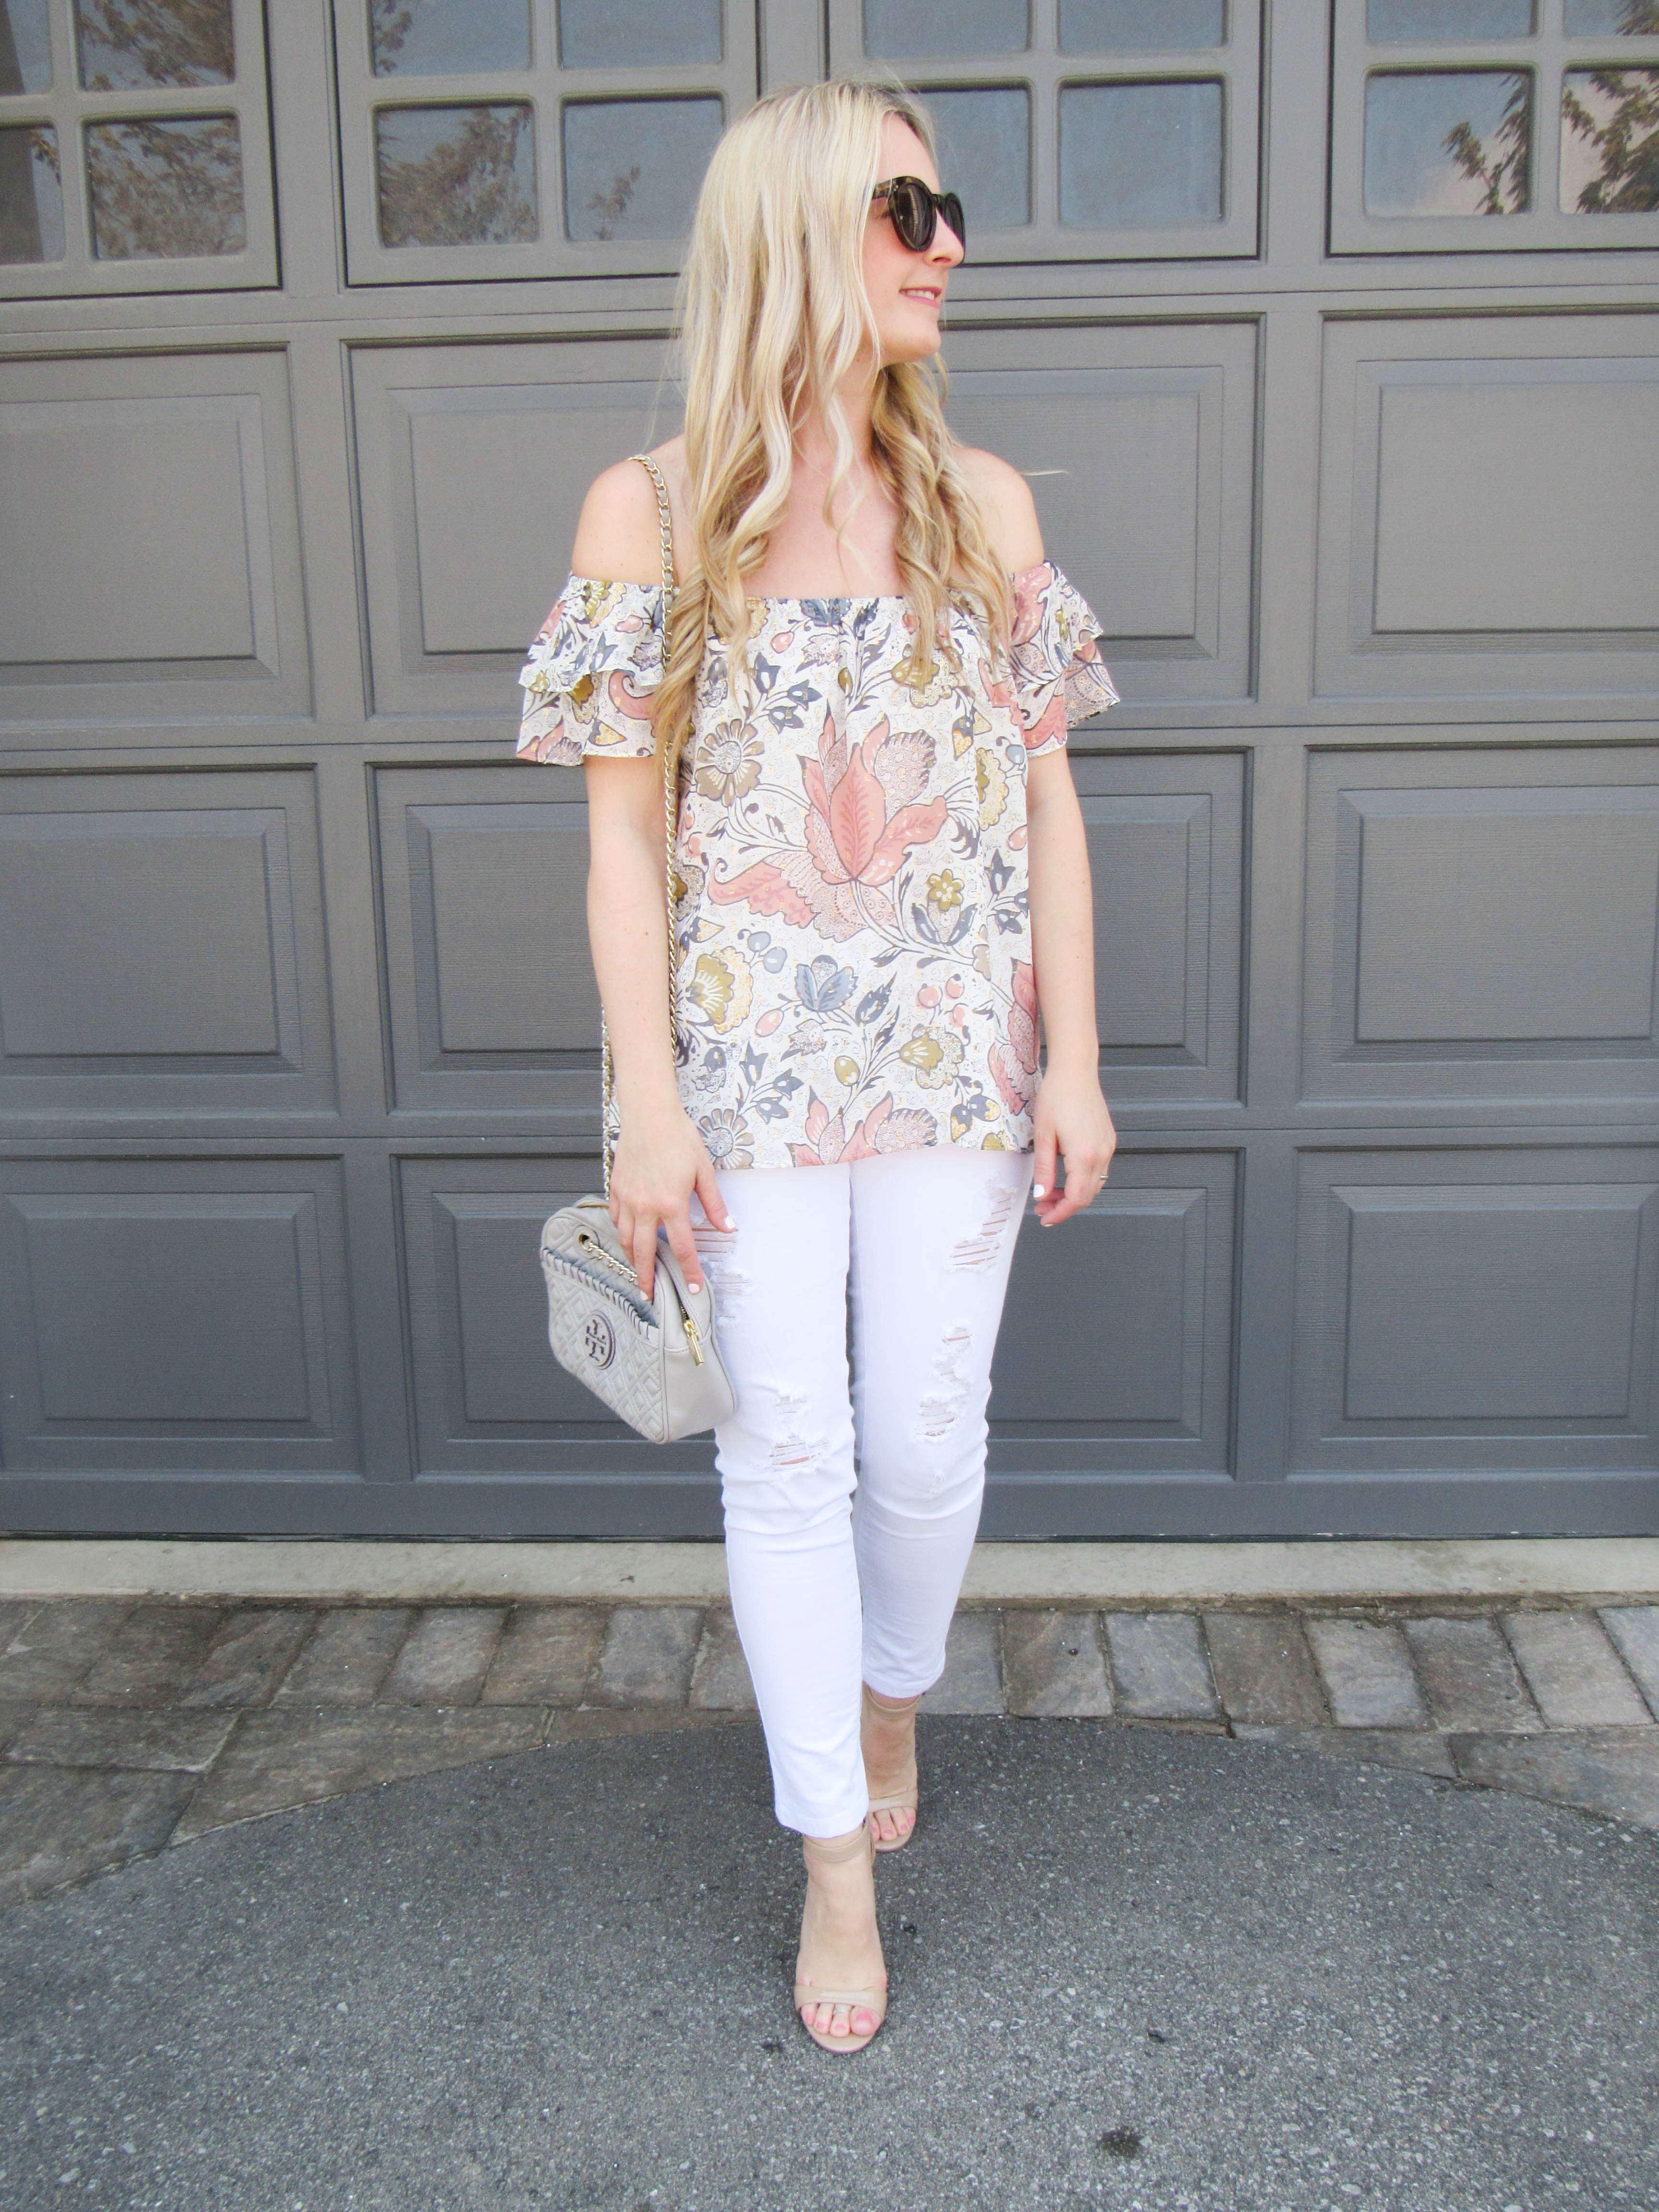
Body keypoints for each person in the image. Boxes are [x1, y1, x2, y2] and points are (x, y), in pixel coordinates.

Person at [516, 78, 1119, 2055]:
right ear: (793, 230)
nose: (951, 242)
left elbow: (1047, 814)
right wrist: (648, 1101)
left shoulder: (986, 507)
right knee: (786, 1463)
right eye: (909, 207)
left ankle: (889, 1688)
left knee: (928, 1447)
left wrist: (1080, 1061)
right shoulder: (656, 510)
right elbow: (621, 839)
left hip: (957, 1065)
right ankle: (832, 1864)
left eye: (949, 208)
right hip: (745, 1089)